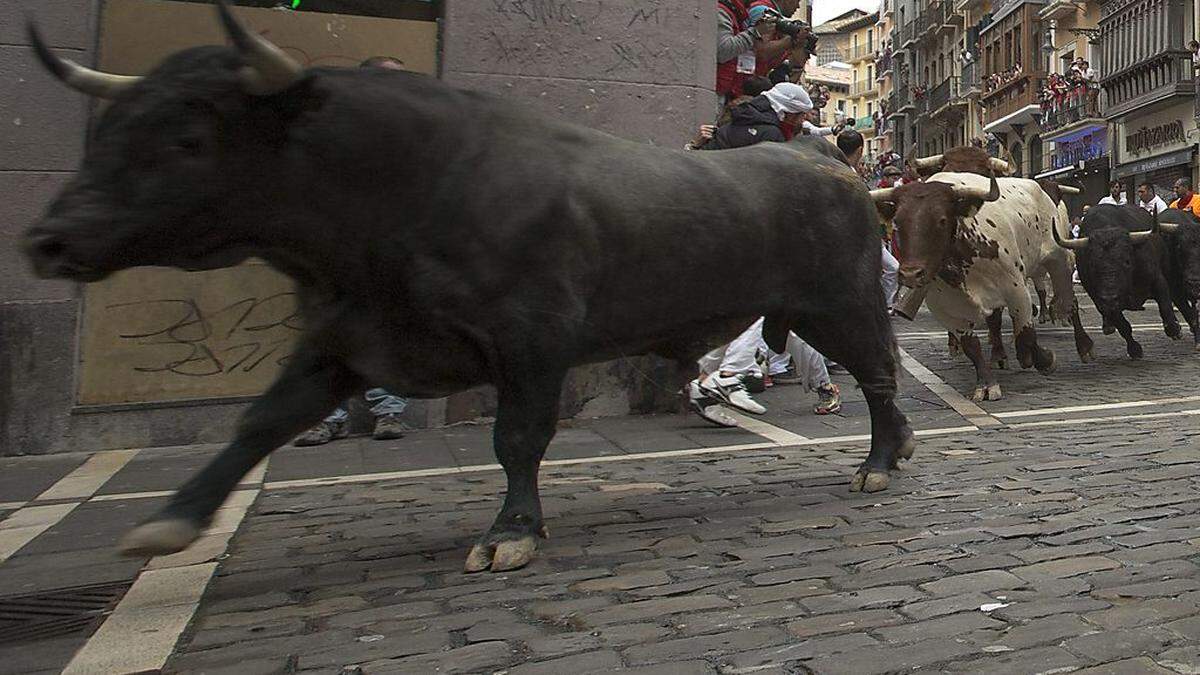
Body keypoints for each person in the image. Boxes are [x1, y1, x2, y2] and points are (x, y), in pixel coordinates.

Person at [295, 54, 412, 447]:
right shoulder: (337, 128)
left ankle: (389, 411)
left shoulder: (411, 130)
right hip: (339, 250)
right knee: (331, 335)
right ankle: (328, 416)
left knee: (388, 331)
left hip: (390, 248)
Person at [701, 81, 813, 149]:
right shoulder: (771, 135)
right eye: (801, 115)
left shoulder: (744, 115)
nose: (804, 119)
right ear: (788, 113)